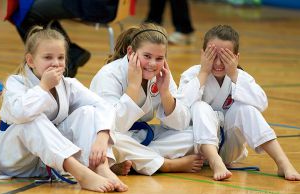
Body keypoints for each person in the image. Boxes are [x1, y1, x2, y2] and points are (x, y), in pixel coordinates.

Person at [0, 26, 128, 192]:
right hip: (15, 159)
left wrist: (102, 135)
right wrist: (43, 87)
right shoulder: (16, 83)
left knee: (88, 112)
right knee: (32, 118)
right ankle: (81, 174)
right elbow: (21, 113)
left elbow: (104, 106)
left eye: (60, 57)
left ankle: (100, 166)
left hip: (45, 164)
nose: (56, 63)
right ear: (31, 61)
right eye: (48, 57)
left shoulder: (67, 85)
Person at [177, 24, 300, 181]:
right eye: (213, 56)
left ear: (236, 57)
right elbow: (180, 110)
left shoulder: (239, 77)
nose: (218, 63)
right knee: (200, 107)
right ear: (203, 54)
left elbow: (262, 103)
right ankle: (215, 162)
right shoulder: (192, 74)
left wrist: (234, 74)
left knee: (245, 109)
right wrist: (203, 73)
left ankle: (283, 163)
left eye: (225, 57)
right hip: (196, 149)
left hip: (230, 149)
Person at [90, 23, 203, 176]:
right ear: (131, 52)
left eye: (159, 58)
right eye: (147, 56)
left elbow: (180, 124)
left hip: (137, 139)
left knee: (194, 135)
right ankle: (165, 164)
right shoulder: (109, 75)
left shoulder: (162, 76)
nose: (152, 64)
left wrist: (165, 93)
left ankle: (131, 160)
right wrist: (134, 86)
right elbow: (113, 126)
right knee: (112, 142)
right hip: (110, 135)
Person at [4, 0, 119, 77]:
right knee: (30, 9)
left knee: (25, 14)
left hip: (94, 4)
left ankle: (68, 56)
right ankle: (71, 54)